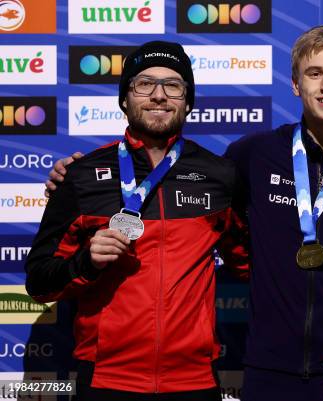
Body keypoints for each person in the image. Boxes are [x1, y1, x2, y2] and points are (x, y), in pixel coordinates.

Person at [46, 26, 323, 400]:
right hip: (268, 371)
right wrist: (77, 177)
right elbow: (179, 191)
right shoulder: (253, 156)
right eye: (315, 73)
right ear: (295, 85)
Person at [26, 41, 248, 401]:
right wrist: (87, 262)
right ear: (125, 99)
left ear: (187, 101)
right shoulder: (81, 177)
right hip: (105, 381)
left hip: (193, 383)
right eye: (144, 84)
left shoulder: (220, 176)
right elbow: (39, 285)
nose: (159, 95)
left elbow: (251, 264)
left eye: (173, 85)